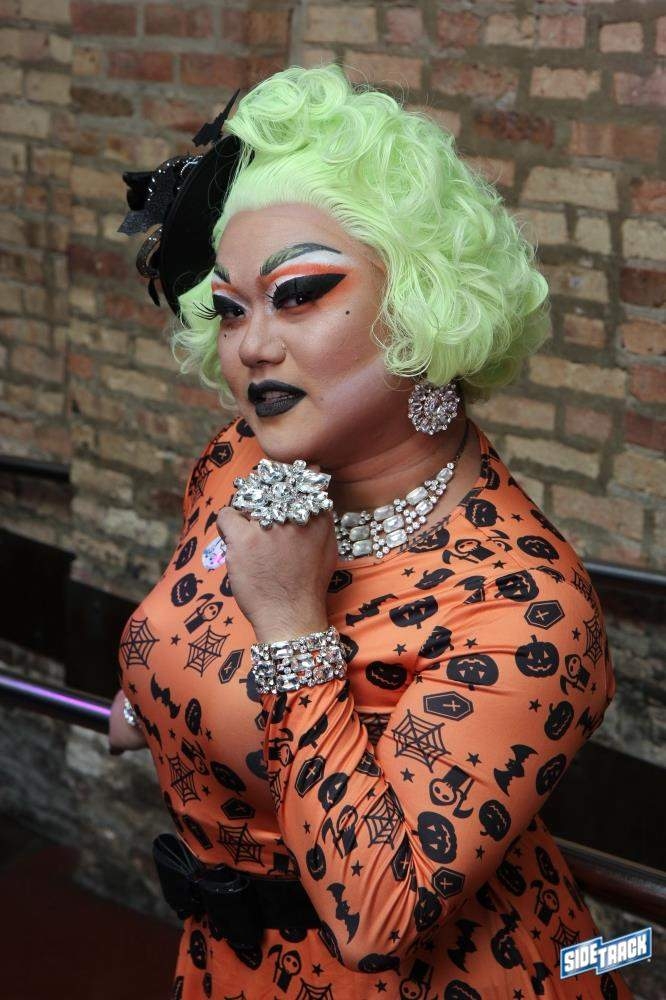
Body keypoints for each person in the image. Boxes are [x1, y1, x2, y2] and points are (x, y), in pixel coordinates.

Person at [110, 64, 631, 999]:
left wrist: (293, 625)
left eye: (299, 293)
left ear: (423, 302)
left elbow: (379, 917)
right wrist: (161, 698)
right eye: (229, 309)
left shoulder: (530, 608)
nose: (252, 346)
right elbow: (189, 632)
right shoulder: (236, 462)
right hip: (227, 966)